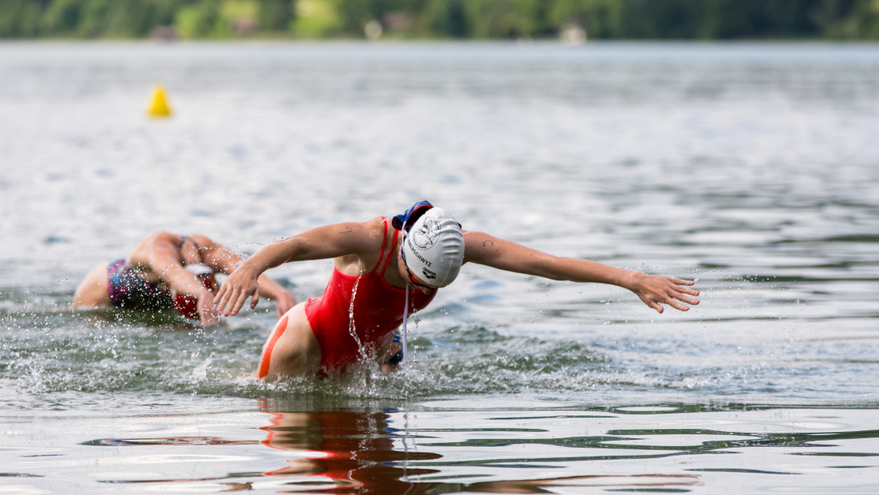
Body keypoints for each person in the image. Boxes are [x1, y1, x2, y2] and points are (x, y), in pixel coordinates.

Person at [213, 201, 700, 380]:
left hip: (365, 356)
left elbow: (545, 265)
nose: (420, 290)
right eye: (416, 279)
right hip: (304, 343)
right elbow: (296, 244)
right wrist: (249, 269)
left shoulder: (457, 246)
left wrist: (630, 278)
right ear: (404, 250)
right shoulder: (368, 239)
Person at [72, 231, 296, 326]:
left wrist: (280, 294)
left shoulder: (209, 251)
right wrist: (201, 293)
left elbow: (244, 270)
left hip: (153, 302)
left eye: (209, 283)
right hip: (104, 293)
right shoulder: (158, 247)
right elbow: (175, 274)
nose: (212, 288)